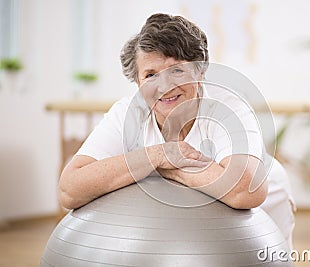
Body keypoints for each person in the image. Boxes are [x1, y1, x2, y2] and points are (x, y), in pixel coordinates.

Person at [58, 13, 295, 247]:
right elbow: (69, 190)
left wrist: (166, 168)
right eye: (150, 75)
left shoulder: (229, 106)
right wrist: (158, 155)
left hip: (266, 209)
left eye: (177, 71)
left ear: (200, 71)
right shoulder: (126, 113)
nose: (164, 86)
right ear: (138, 81)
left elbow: (246, 190)